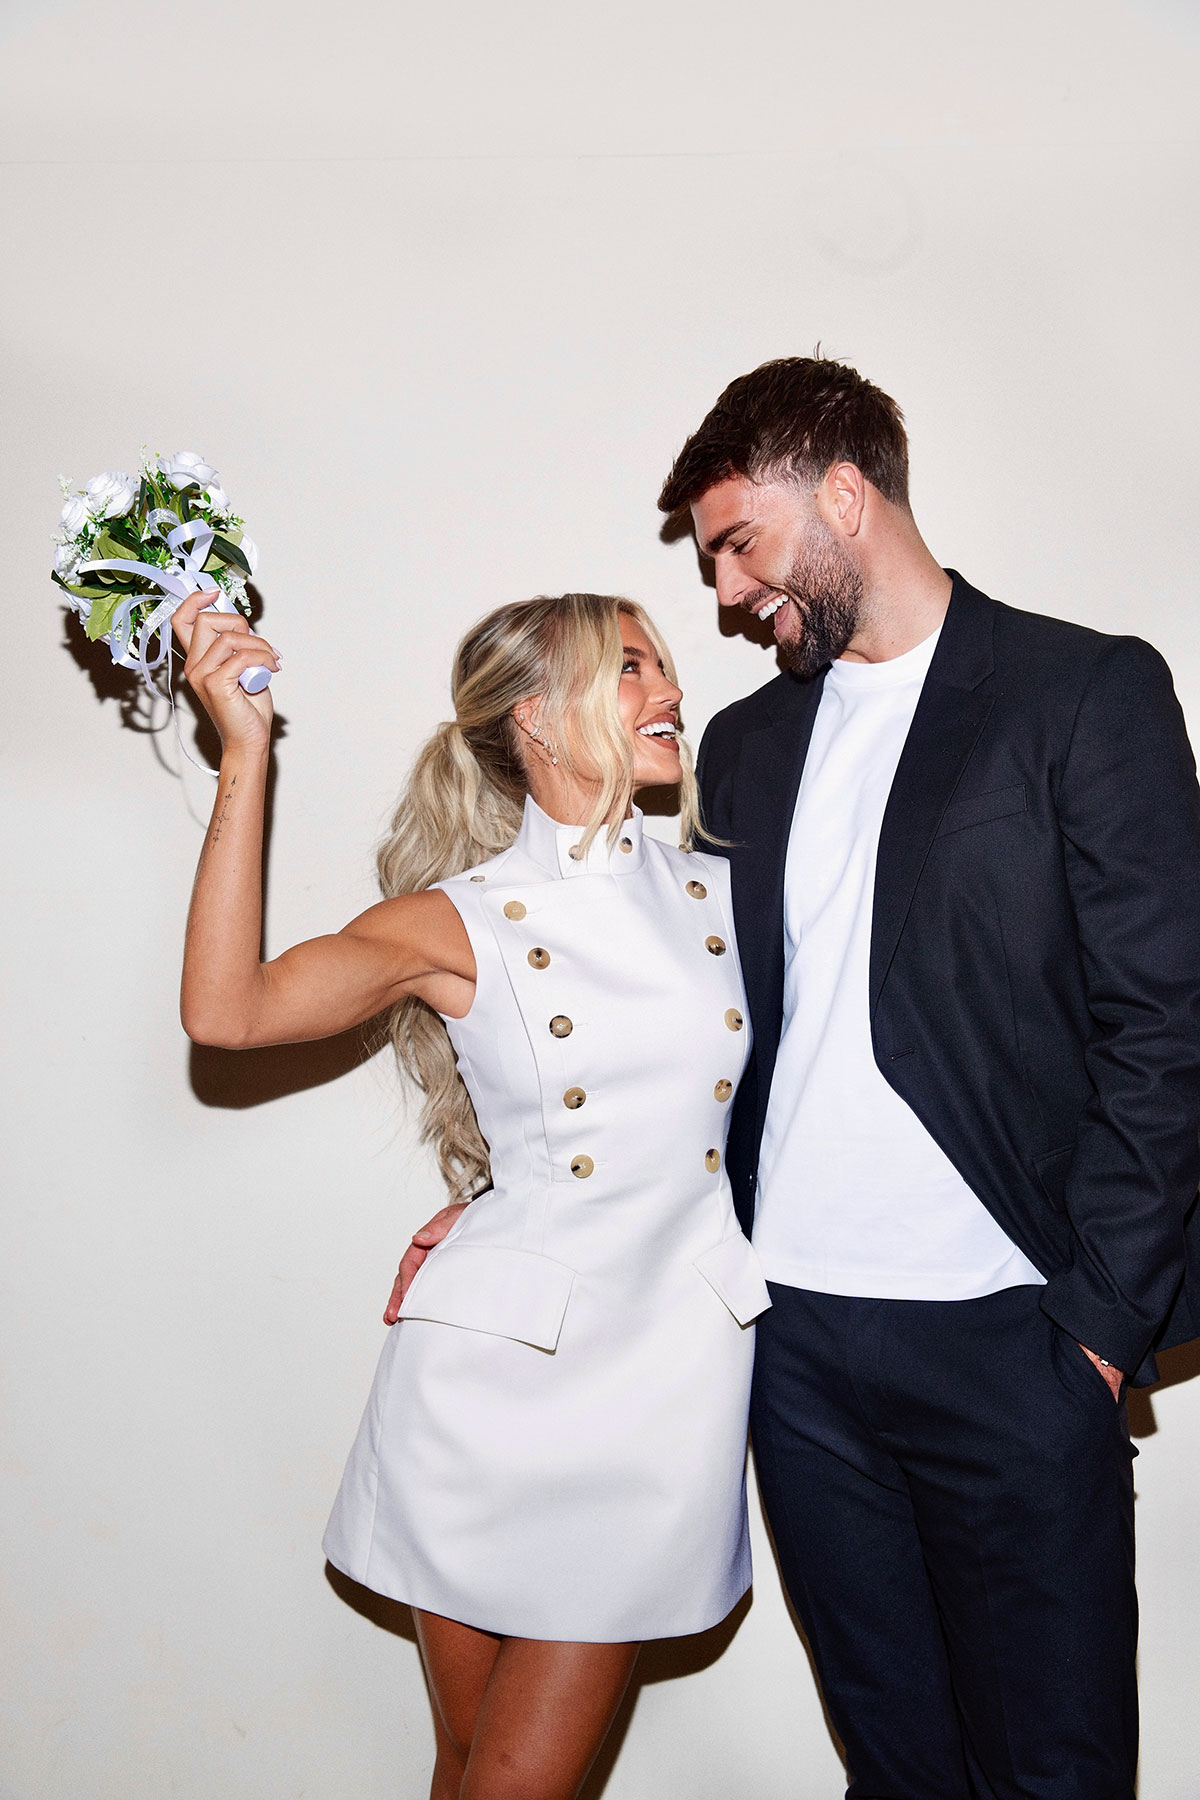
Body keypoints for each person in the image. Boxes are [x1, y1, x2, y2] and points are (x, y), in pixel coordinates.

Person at [408, 355, 1200, 1796]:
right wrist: (499, 1195)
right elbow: (630, 995)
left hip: (1017, 1336)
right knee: (895, 1766)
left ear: (845, 495)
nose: (723, 595)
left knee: (1058, 1768)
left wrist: (1097, 1324)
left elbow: (1171, 1022)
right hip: (796, 1352)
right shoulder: (748, 745)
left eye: (738, 544)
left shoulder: (1081, 692)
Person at [171, 586, 769, 1800]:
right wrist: (243, 757)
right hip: (486, 1386)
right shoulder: (471, 919)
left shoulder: (730, 897)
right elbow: (225, 1014)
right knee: (465, 1766)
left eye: (663, 671)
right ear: (538, 720)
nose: (672, 694)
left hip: (663, 1385)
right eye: (635, 670)